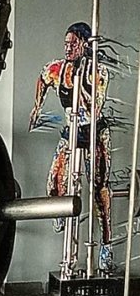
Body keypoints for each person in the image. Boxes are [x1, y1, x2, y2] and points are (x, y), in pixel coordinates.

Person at [28, 21, 113, 270]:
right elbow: (43, 79)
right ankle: (60, 214)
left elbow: (94, 106)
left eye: (73, 44)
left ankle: (106, 245)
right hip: (71, 132)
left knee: (99, 188)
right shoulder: (57, 68)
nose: (68, 48)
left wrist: (82, 81)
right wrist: (37, 106)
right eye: (66, 43)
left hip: (94, 133)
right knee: (55, 181)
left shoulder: (97, 72)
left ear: (84, 45)